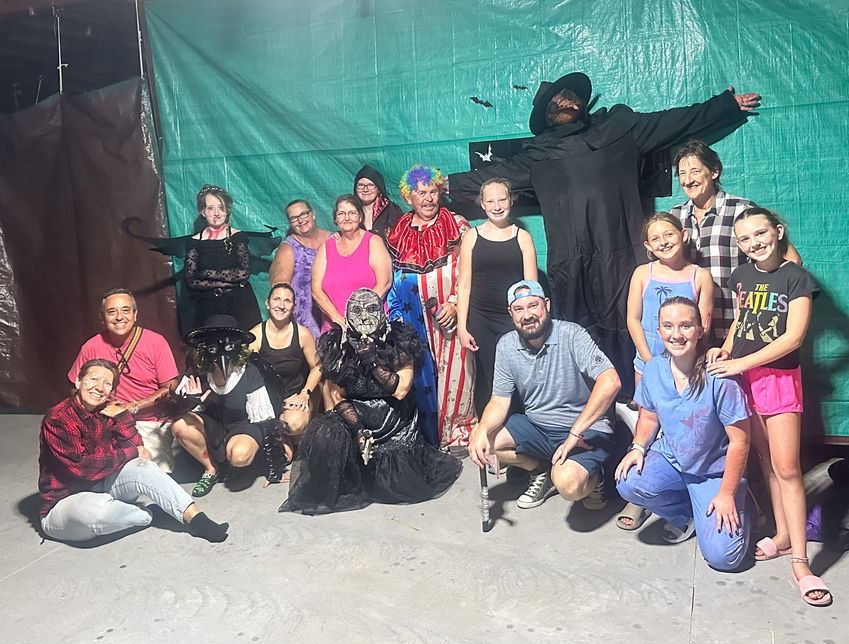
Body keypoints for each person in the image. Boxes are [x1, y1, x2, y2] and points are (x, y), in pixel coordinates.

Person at [448, 72, 762, 397]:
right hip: (572, 264)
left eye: (570, 95)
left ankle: (639, 404)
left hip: (622, 255)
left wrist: (725, 105)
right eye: (557, 100)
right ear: (547, 116)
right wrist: (448, 186)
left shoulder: (618, 129)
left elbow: (674, 121)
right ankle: (592, 408)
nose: (566, 100)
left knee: (631, 324)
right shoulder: (538, 155)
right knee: (578, 334)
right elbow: (492, 176)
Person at [707, 208, 830, 606]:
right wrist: (725, 348)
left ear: (777, 232)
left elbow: (793, 338)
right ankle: (782, 534)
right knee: (765, 460)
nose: (754, 243)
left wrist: (740, 362)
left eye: (760, 233)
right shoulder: (741, 276)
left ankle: (801, 563)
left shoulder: (797, 278)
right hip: (744, 379)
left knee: (788, 467)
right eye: (744, 238)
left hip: (777, 379)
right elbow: (742, 318)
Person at [280, 289, 462, 514]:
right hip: (357, 415)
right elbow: (337, 396)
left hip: (394, 420)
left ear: (382, 314)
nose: (364, 317)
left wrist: (373, 362)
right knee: (326, 434)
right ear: (348, 316)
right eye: (357, 310)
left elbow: (401, 390)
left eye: (371, 309)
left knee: (396, 483)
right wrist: (358, 429)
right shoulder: (339, 346)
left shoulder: (399, 340)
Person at [615, 297, 751, 570]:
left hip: (713, 472)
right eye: (668, 326)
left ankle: (742, 501)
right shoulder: (654, 369)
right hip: (673, 460)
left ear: (700, 330)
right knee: (628, 481)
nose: (676, 334)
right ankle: (686, 514)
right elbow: (649, 417)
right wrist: (638, 447)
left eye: (686, 325)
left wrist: (726, 493)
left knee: (725, 558)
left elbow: (740, 440)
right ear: (659, 331)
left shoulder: (719, 376)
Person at [468, 280, 621, 511]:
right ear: (511, 313)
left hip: (583, 430)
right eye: (519, 309)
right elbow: (499, 400)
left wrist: (575, 431)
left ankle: (595, 477)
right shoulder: (506, 345)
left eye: (533, 306)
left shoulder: (572, 334)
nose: (527, 315)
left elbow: (611, 381)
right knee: (480, 438)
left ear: (546, 305)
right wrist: (482, 429)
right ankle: (540, 470)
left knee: (568, 485)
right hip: (538, 427)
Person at [39, 358, 229, 543]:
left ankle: (197, 520)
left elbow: (139, 449)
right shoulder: (59, 419)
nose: (99, 387)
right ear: (78, 382)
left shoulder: (109, 410)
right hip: (66, 503)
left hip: (101, 485)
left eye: (107, 383)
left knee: (142, 467)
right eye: (93, 379)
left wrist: (122, 416)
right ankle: (148, 515)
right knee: (96, 512)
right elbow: (84, 467)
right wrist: (132, 452)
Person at [618, 213, 714, 530]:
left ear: (683, 235)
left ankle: (689, 489)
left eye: (669, 234)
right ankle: (643, 495)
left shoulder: (700, 276)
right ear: (648, 246)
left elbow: (704, 325)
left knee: (681, 427)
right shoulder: (642, 274)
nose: (664, 242)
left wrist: (675, 365)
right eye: (656, 238)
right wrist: (650, 363)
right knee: (646, 425)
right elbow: (633, 319)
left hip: (686, 367)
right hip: (646, 364)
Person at [669, 141, 801, 342]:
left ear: (714, 171)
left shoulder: (742, 210)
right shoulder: (675, 215)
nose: (688, 180)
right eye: (682, 174)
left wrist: (765, 308)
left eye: (695, 171)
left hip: (735, 326)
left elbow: (792, 259)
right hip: (689, 331)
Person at [386, 164, 477, 450]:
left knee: (456, 372)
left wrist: (455, 303)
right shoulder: (400, 229)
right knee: (420, 372)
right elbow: (392, 276)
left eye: (433, 192)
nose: (428, 199)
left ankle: (457, 433)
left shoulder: (456, 223)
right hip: (413, 315)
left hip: (449, 312)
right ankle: (427, 436)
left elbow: (469, 269)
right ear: (408, 197)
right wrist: (396, 315)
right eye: (421, 193)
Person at [68, 288, 180, 472]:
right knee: (90, 466)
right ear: (102, 317)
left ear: (135, 314)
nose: (119, 317)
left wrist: (134, 406)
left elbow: (171, 387)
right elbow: (74, 387)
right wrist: (98, 407)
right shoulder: (91, 346)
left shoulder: (155, 342)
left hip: (148, 420)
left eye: (125, 310)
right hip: (105, 421)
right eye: (112, 311)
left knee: (145, 471)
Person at [171, 315, 283, 496]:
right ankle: (211, 468)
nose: (221, 353)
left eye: (228, 346)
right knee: (179, 425)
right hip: (212, 426)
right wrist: (190, 401)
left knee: (239, 455)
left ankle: (233, 463)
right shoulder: (198, 373)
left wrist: (274, 467)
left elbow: (265, 421)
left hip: (242, 425)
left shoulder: (249, 372)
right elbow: (173, 411)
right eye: (213, 347)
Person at [457, 178, 538, 416]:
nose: (497, 206)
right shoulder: (471, 237)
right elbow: (464, 285)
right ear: (482, 204)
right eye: (490, 201)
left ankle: (519, 428)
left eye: (502, 199)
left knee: (517, 376)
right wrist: (462, 327)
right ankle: (490, 432)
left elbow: (531, 288)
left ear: (511, 201)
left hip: (512, 320)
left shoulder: (523, 238)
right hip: (480, 319)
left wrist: (529, 322)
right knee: (488, 378)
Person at [248, 283, 322, 466]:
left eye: (287, 301)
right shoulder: (255, 335)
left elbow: (317, 367)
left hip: (294, 399)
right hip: (266, 401)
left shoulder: (302, 334)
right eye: (277, 299)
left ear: (294, 306)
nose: (281, 305)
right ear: (267, 303)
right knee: (284, 459)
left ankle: (287, 432)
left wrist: (305, 394)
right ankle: (276, 432)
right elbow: (247, 375)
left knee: (294, 424)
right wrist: (277, 401)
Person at [184, 184, 265, 331]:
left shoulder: (238, 237)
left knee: (245, 344)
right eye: (210, 208)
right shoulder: (194, 242)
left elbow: (243, 273)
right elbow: (191, 281)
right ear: (203, 212)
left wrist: (205, 273)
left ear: (227, 210)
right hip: (207, 307)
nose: (216, 213)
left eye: (221, 207)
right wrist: (230, 282)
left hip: (240, 304)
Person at [311, 194, 393, 333]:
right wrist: (337, 318)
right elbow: (316, 290)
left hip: (370, 327)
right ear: (335, 219)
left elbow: (384, 283)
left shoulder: (373, 242)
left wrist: (359, 317)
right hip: (334, 329)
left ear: (360, 216)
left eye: (352, 213)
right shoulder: (326, 247)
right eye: (341, 214)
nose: (347, 218)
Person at [268, 199, 330, 338]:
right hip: (305, 321)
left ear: (313, 214)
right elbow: (279, 290)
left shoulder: (334, 239)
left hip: (335, 315)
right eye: (294, 218)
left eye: (304, 214)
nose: (300, 220)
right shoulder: (288, 249)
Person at [353, 165, 404, 240]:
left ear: (379, 189)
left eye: (370, 185)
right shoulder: (351, 211)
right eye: (361, 185)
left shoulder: (393, 211)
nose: (365, 189)